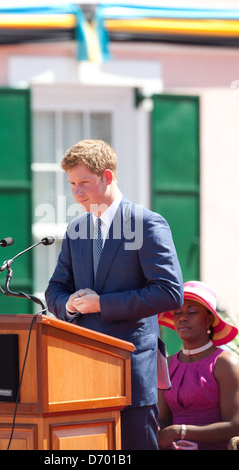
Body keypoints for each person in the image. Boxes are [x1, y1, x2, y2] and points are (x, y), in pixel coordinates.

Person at [45, 139, 183, 450]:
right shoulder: (76, 229)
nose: (77, 192)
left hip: (131, 368)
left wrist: (101, 304)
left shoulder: (147, 224)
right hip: (82, 367)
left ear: (108, 177)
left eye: (84, 182)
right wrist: (66, 304)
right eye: (71, 184)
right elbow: (55, 288)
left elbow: (170, 292)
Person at [158, 280, 239, 450]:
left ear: (210, 319)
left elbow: (235, 425)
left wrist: (181, 431)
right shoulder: (167, 363)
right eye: (177, 312)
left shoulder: (225, 363)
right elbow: (163, 419)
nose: (182, 318)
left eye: (192, 311)